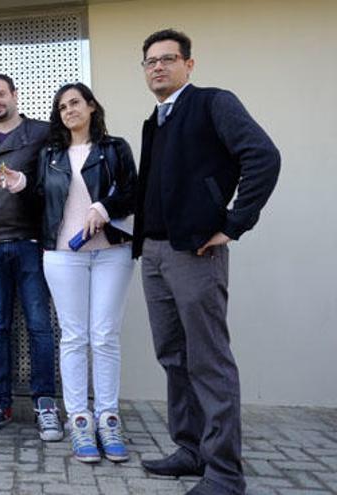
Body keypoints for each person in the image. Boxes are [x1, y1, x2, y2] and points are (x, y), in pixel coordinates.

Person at [135, 29, 280, 494]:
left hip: (196, 253)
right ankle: (191, 449)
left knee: (208, 361)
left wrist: (233, 223)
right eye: (151, 61)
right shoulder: (152, 121)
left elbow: (263, 156)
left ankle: (223, 474)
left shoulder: (214, 102)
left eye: (168, 59)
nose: (158, 66)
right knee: (173, 358)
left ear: (189, 65)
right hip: (156, 253)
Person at [0, 82, 137, 463]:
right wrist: (20, 183)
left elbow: (132, 192)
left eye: (75, 103)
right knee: (74, 337)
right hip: (63, 254)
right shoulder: (51, 154)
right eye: (62, 107)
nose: (69, 110)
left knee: (105, 335)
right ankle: (79, 419)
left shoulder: (115, 148)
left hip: (112, 251)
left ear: (92, 106)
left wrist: (104, 208)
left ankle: (108, 418)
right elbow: (41, 193)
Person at [0, 74, 61, 441]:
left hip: (31, 242)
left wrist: (27, 186)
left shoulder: (42, 133)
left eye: (1, 94)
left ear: (15, 95)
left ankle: (45, 404)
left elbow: (58, 182)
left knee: (39, 324)